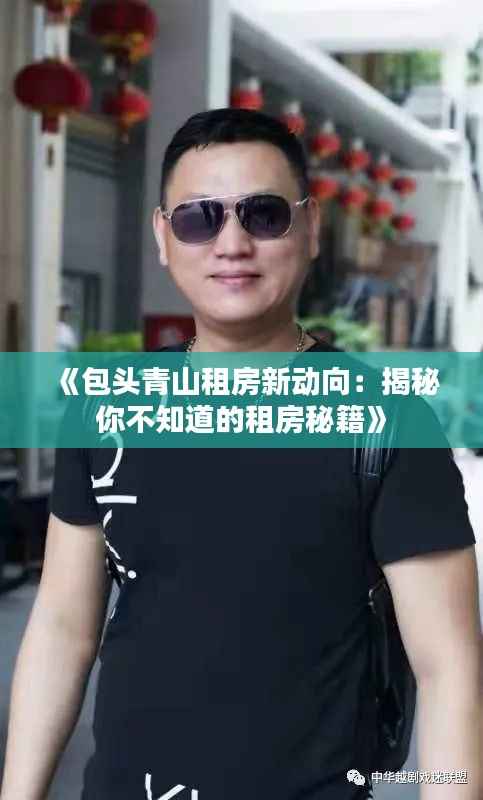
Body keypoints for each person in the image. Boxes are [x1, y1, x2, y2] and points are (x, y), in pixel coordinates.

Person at [1, 109, 481, 800]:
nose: (231, 243)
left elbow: (449, 669)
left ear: (310, 228)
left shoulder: (386, 421)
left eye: (263, 214)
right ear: (163, 237)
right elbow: (62, 628)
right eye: (198, 218)